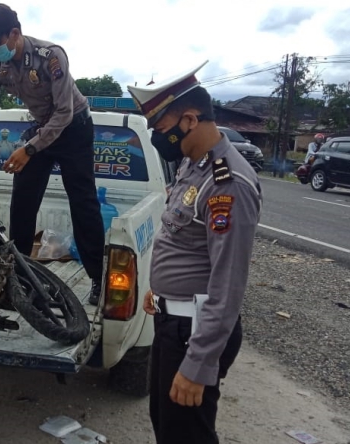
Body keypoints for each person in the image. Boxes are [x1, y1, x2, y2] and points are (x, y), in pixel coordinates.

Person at [0, 3, 105, 303]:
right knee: (22, 199)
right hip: (40, 128)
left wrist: (28, 148)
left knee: (83, 202)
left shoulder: (51, 57)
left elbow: (63, 113)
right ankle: (20, 276)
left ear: (14, 34)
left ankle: (98, 278)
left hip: (74, 128)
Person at [128, 61, 262, 444]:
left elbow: (228, 284)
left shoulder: (227, 183)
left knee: (187, 435)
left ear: (189, 119)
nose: (157, 137)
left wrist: (199, 363)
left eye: (161, 128)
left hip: (194, 331)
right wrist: (164, 292)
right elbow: (183, 239)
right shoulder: (192, 162)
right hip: (175, 322)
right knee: (166, 424)